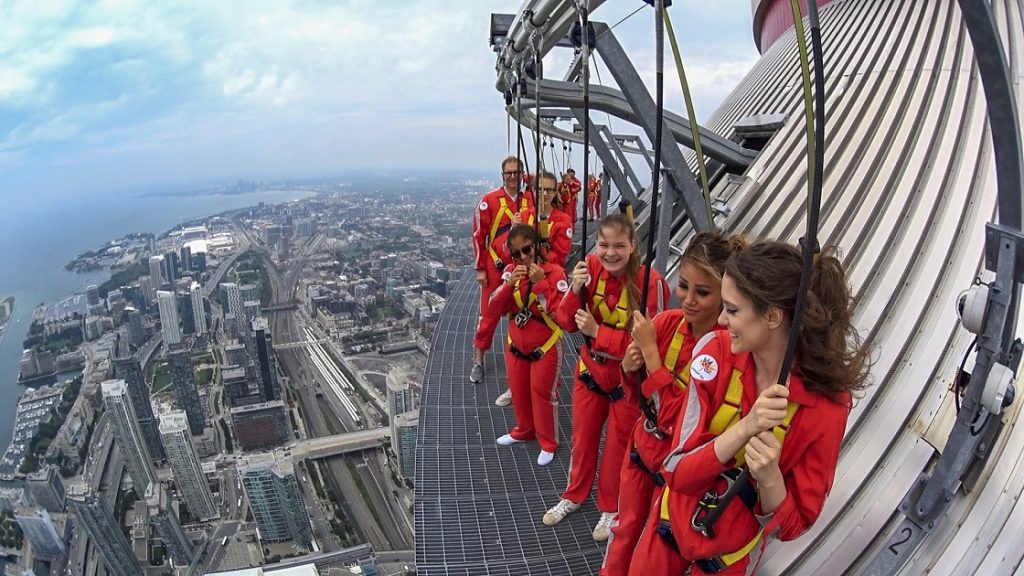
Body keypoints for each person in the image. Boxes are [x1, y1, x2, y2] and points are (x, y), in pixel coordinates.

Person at [627, 241, 869, 575]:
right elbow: (677, 471)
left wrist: (770, 479)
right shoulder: (714, 353)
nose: (722, 320)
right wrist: (744, 428)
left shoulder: (826, 407)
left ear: (771, 316)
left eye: (733, 310)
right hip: (668, 529)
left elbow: (793, 525)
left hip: (724, 562)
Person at [600, 232, 745, 576]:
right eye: (684, 286)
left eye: (703, 292)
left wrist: (651, 356)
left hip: (674, 477)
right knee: (623, 534)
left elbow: (680, 419)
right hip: (641, 455)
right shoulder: (667, 324)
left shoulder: (724, 353)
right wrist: (628, 368)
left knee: (648, 550)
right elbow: (639, 399)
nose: (689, 300)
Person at [542, 213, 669, 542]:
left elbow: (648, 344)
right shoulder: (590, 270)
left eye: (618, 246)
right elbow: (566, 321)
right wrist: (574, 288)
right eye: (603, 245)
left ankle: (610, 506)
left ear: (632, 246)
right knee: (582, 439)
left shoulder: (650, 284)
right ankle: (573, 494)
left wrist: (599, 333)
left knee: (616, 448)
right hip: (590, 372)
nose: (610, 253)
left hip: (625, 381)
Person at [485, 224, 568, 466]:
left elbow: (561, 315)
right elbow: (495, 308)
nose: (522, 257)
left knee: (542, 395)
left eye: (527, 250)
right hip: (516, 344)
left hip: (545, 345)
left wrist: (541, 284)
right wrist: (509, 285)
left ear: (537, 248)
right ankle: (524, 429)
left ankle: (548, 442)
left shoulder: (555, 274)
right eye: (516, 253)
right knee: (519, 391)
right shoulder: (511, 273)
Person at [491, 171, 574, 408]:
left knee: (547, 329)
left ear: (555, 192)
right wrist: (515, 232)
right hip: (522, 280)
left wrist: (538, 250)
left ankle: (550, 387)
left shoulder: (562, 221)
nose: (544, 194)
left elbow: (558, 257)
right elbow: (509, 252)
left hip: (545, 278)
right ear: (532, 192)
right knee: (519, 331)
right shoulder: (525, 216)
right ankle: (516, 386)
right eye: (540, 189)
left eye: (549, 190)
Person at [471, 156, 535, 384]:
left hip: (521, 265)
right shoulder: (490, 201)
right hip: (496, 265)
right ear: (502, 175)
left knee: (521, 311)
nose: (512, 177)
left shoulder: (529, 200)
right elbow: (479, 236)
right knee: (488, 315)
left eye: (516, 173)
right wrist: (481, 268)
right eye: (508, 173)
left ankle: (521, 358)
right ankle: (478, 360)